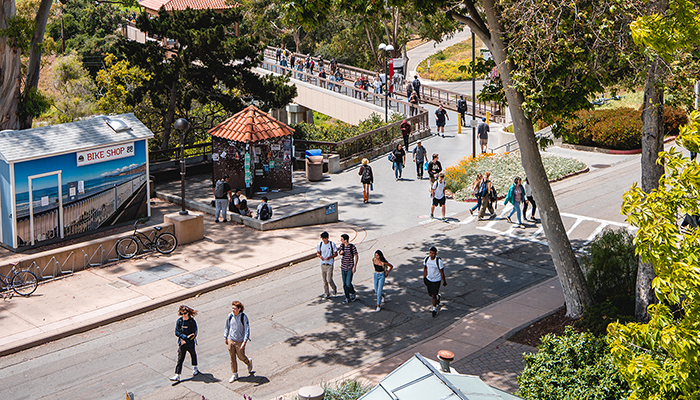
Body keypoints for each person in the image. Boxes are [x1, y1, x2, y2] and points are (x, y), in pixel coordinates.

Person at [223, 301, 253, 383]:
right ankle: (235, 374)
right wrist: (225, 337)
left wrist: (244, 341)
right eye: (232, 308)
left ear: (239, 309)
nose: (233, 310)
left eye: (235, 308)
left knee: (241, 356)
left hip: (240, 341)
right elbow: (227, 326)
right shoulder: (230, 316)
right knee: (232, 358)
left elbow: (247, 329)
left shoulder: (243, 317)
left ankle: (248, 362)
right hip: (231, 340)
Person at [170, 305, 199, 382]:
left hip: (190, 343)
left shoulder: (191, 321)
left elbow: (194, 333)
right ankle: (177, 375)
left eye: (185, 313)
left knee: (193, 355)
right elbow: (177, 332)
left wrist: (188, 339)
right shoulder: (179, 321)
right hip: (182, 343)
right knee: (180, 359)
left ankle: (195, 368)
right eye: (181, 313)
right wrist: (184, 337)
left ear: (188, 313)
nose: (183, 315)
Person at [423, 247, 446, 318]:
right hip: (429, 280)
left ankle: (434, 309)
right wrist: (424, 277)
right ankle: (438, 297)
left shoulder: (438, 261)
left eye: (432, 253)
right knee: (430, 294)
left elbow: (442, 272)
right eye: (430, 253)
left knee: (433, 295)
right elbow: (425, 268)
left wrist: (444, 281)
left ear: (435, 254)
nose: (431, 255)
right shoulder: (427, 260)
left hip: (436, 281)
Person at [316, 231, 338, 299]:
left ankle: (334, 288)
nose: (324, 240)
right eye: (323, 238)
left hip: (329, 264)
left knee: (329, 279)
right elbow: (318, 253)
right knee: (324, 280)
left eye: (325, 238)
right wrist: (320, 256)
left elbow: (336, 254)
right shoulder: (320, 244)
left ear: (328, 238)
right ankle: (327, 293)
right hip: (323, 264)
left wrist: (330, 257)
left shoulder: (332, 244)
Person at [338, 234, 359, 303]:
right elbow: (340, 252)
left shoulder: (352, 247)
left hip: (350, 267)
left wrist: (354, 266)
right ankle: (347, 297)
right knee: (344, 284)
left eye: (342, 239)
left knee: (348, 283)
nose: (341, 240)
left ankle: (353, 292)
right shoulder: (342, 246)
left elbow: (356, 256)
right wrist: (341, 252)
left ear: (345, 240)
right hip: (343, 267)